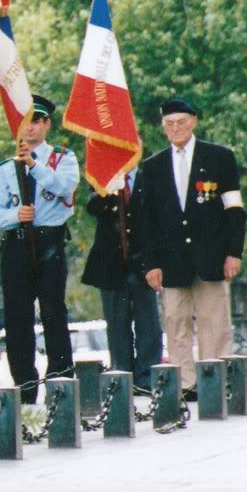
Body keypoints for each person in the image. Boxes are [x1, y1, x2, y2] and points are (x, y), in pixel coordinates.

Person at [142, 98, 247, 396]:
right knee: (176, 324)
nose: (176, 128)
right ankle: (186, 386)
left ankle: (216, 384)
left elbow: (234, 209)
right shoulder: (152, 166)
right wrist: (151, 264)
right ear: (163, 127)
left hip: (212, 258)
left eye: (182, 122)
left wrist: (234, 252)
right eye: (169, 124)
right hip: (171, 262)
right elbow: (146, 221)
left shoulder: (219, 157)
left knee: (215, 323)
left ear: (194, 122)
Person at [0, 95, 79, 404]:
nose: (31, 128)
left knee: (53, 312)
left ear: (47, 124)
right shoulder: (5, 169)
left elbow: (64, 187)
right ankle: (25, 388)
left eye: (37, 121)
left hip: (50, 242)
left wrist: (33, 166)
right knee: (17, 317)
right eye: (25, 122)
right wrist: (16, 215)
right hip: (17, 245)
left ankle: (61, 384)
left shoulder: (63, 158)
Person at [82, 167, 162, 391]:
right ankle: (122, 376)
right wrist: (108, 191)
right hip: (111, 263)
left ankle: (147, 377)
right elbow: (93, 207)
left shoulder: (149, 175)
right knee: (117, 324)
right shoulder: (102, 175)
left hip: (143, 261)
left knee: (149, 323)